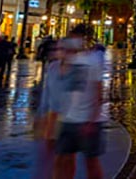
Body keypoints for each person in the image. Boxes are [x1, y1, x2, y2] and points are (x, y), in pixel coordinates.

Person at [38, 25, 106, 179]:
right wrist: (48, 121)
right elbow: (54, 96)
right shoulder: (59, 65)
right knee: (64, 159)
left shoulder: (92, 60)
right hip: (68, 120)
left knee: (90, 162)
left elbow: (99, 93)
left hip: (88, 121)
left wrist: (92, 119)